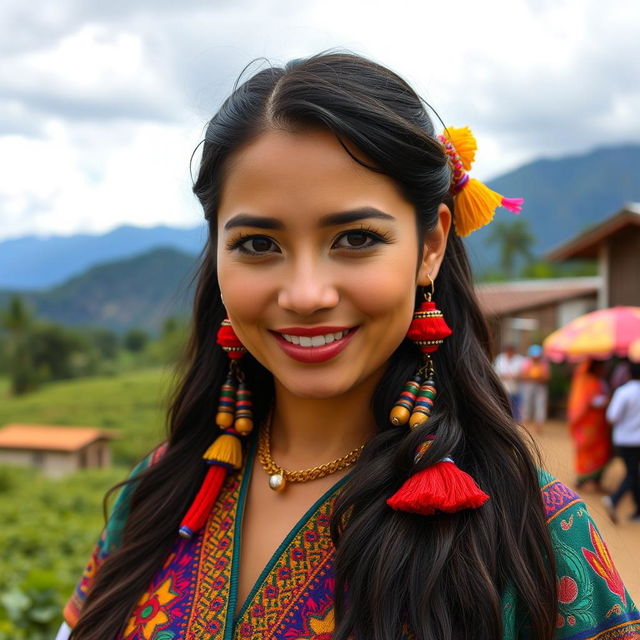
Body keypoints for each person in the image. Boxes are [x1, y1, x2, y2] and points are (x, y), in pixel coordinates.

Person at [57, 53, 639, 640]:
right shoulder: (159, 494)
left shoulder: (533, 534)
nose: (306, 294)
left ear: (430, 244)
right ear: (217, 255)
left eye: (356, 238)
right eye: (258, 244)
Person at [602, 361, 640, 524]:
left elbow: (612, 416)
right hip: (637, 441)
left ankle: (637, 509)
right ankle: (614, 499)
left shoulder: (623, 392)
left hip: (623, 439)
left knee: (633, 472)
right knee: (633, 473)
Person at [567, 359, 612, 491]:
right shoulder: (588, 381)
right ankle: (582, 479)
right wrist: (606, 401)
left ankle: (594, 480)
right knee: (586, 451)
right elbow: (590, 401)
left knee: (599, 451)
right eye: (601, 367)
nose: (604, 369)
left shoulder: (597, 381)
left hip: (598, 425)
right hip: (587, 424)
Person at [493, 344, 525, 421]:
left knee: (516, 408)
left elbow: (525, 374)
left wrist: (516, 376)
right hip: (504, 388)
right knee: (504, 406)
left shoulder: (520, 359)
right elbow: (494, 372)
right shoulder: (500, 359)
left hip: (517, 388)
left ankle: (516, 423)